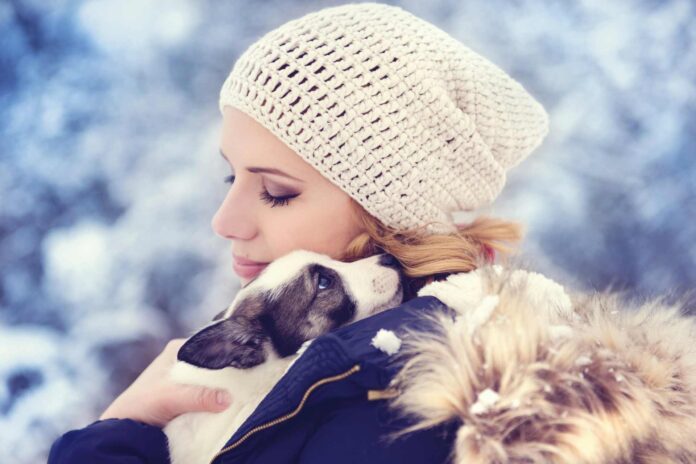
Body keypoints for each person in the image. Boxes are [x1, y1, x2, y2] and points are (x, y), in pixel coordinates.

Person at [48, 3, 696, 464]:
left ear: (389, 206)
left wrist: (118, 433)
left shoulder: (398, 419)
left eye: (276, 191)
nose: (226, 223)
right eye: (231, 180)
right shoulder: (333, 368)